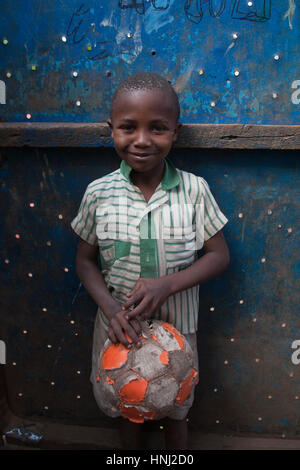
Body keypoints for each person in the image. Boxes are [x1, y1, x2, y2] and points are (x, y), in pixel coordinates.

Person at [71, 72, 230, 449]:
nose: (142, 140)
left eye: (157, 128)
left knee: (177, 405)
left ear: (175, 131)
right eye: (128, 127)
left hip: (178, 325)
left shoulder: (194, 190)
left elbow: (219, 256)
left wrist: (167, 285)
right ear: (111, 129)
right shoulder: (99, 193)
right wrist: (111, 309)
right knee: (128, 405)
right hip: (119, 327)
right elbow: (84, 261)